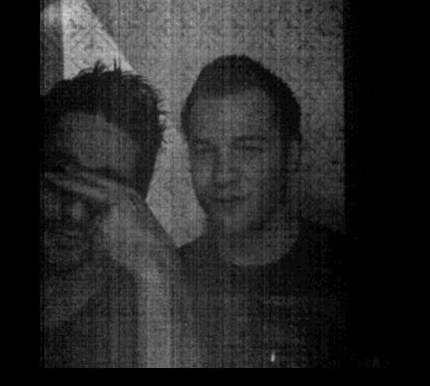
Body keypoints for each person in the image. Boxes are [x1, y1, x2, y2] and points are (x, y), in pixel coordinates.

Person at [179, 55, 349, 367]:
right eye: (204, 151)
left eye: (247, 149)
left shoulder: (346, 273)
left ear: (291, 155)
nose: (222, 175)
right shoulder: (167, 277)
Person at [41, 63, 200, 367]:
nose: (74, 212)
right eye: (63, 173)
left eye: (103, 189)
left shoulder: (152, 304)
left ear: (135, 206)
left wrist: (154, 274)